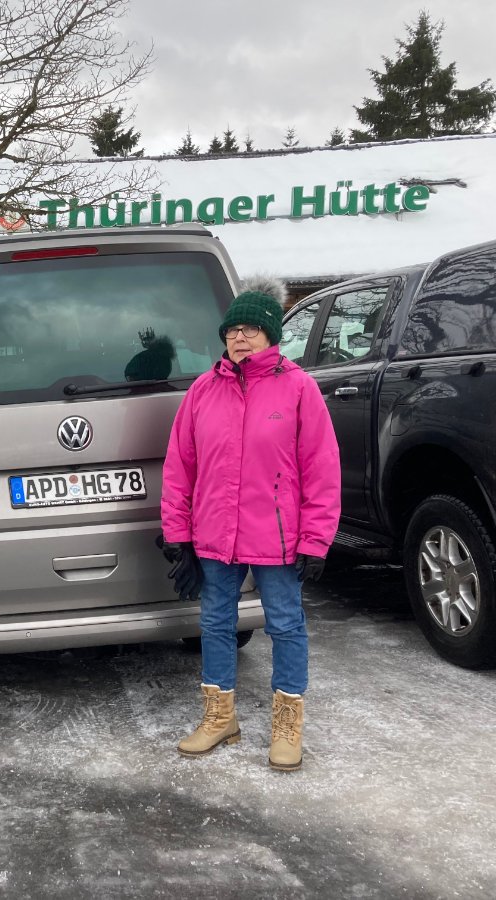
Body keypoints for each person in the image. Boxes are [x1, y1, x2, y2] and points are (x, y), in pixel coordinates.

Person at [160, 289, 341, 772]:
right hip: (214, 533)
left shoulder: (298, 388)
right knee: (215, 623)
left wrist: (316, 538)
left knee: (285, 624)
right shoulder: (203, 391)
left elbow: (321, 467)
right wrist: (177, 532)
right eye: (232, 331)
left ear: (271, 335)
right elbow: (180, 466)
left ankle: (287, 726)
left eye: (251, 329)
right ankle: (220, 718)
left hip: (277, 537)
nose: (240, 338)